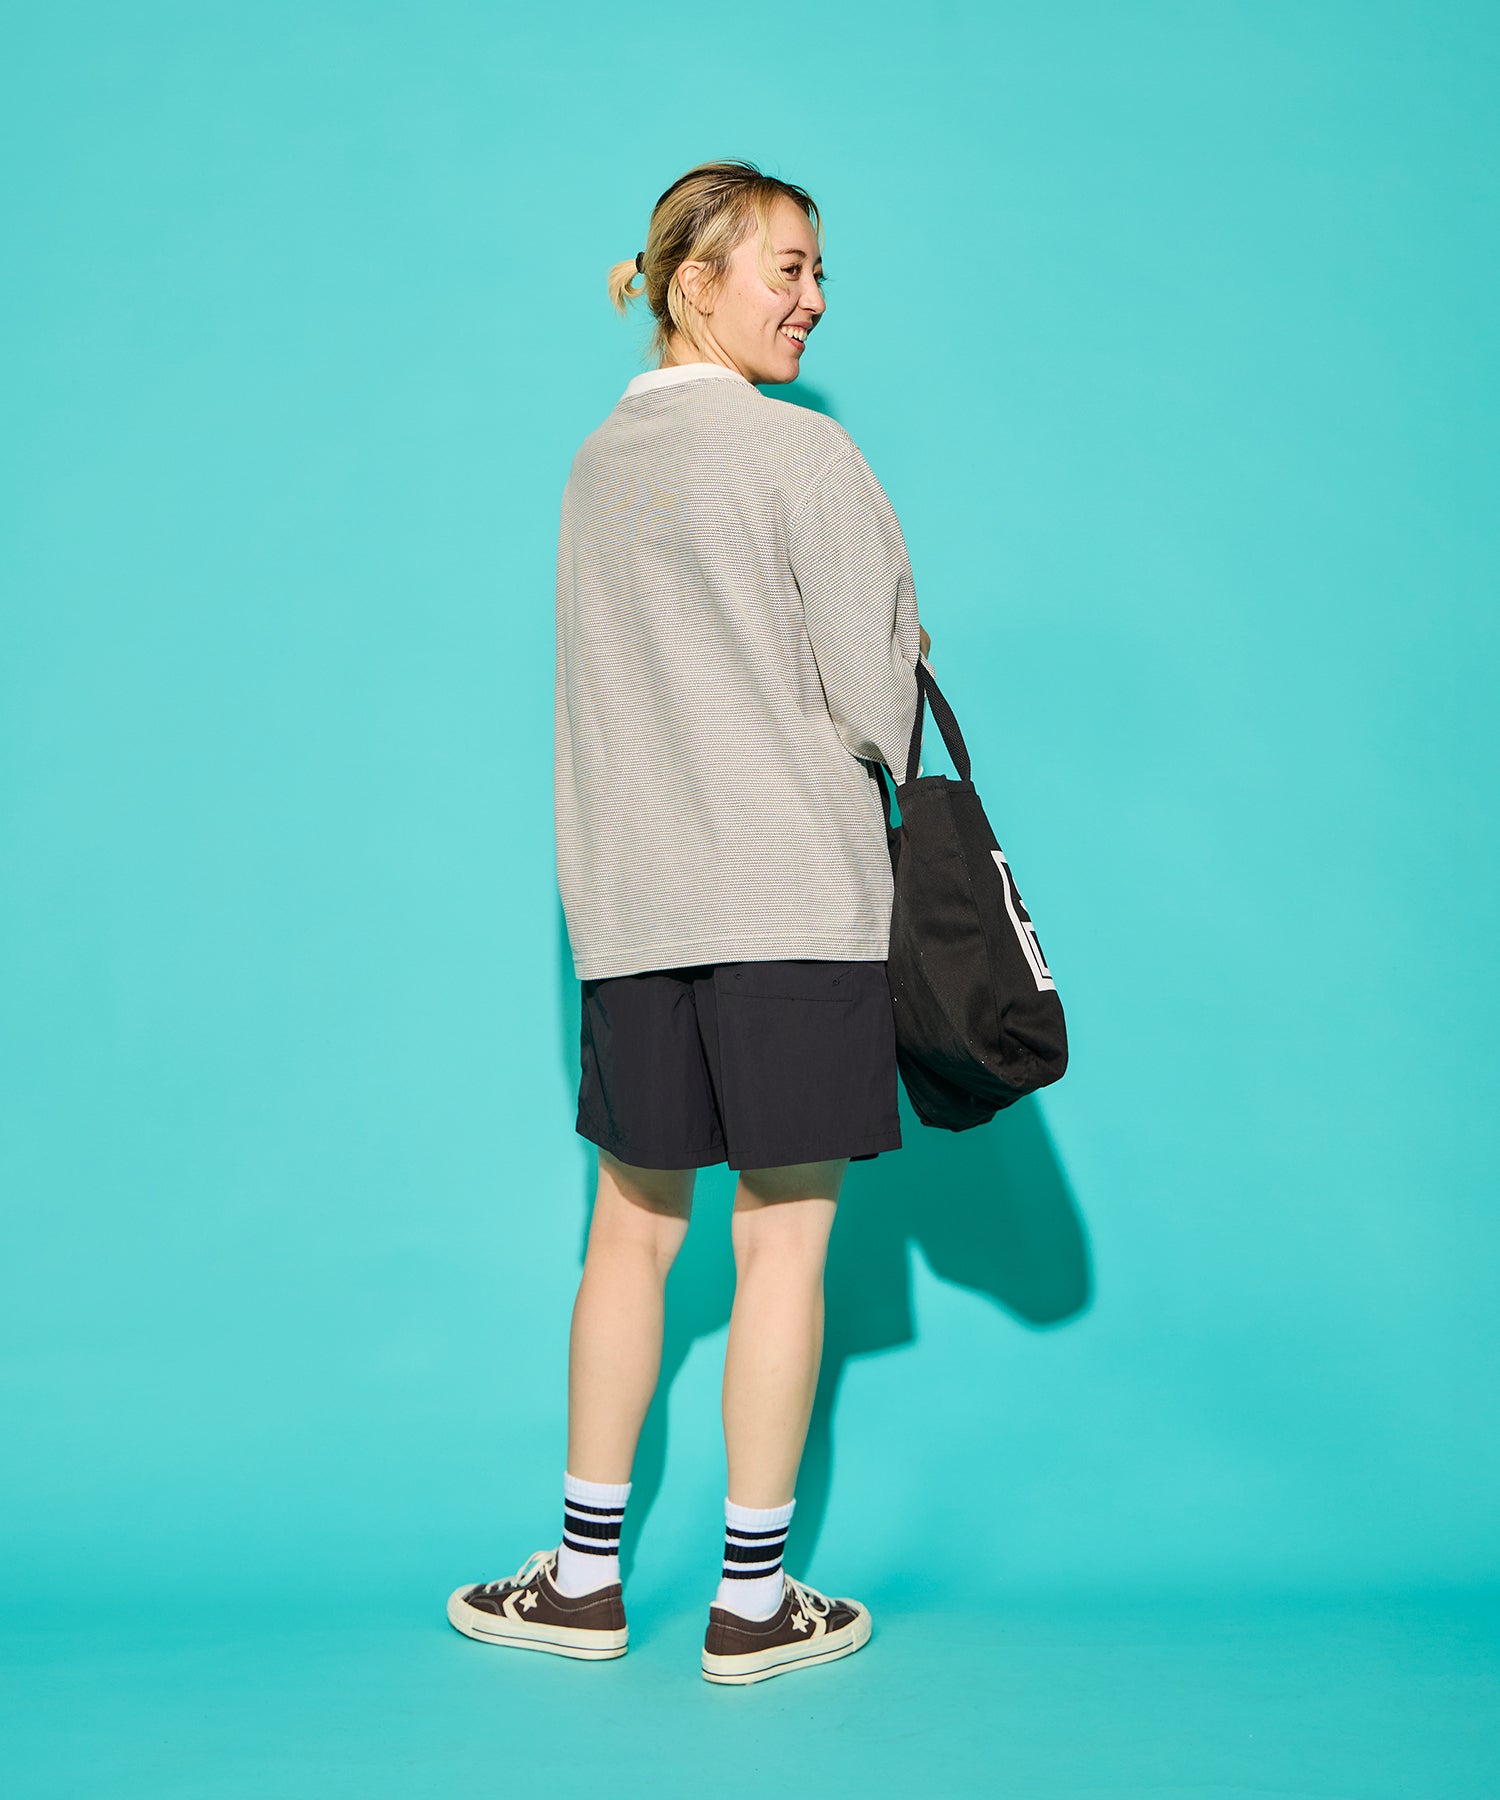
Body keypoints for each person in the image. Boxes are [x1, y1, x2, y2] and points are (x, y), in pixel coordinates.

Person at [446, 158, 932, 1686]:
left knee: (631, 1235)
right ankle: (752, 1604)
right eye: (789, 268)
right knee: (784, 1245)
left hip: (636, 906)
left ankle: (584, 1582)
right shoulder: (802, 452)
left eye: (821, 271)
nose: (815, 298)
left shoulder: (601, 464)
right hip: (793, 897)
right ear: (694, 282)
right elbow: (883, 701)